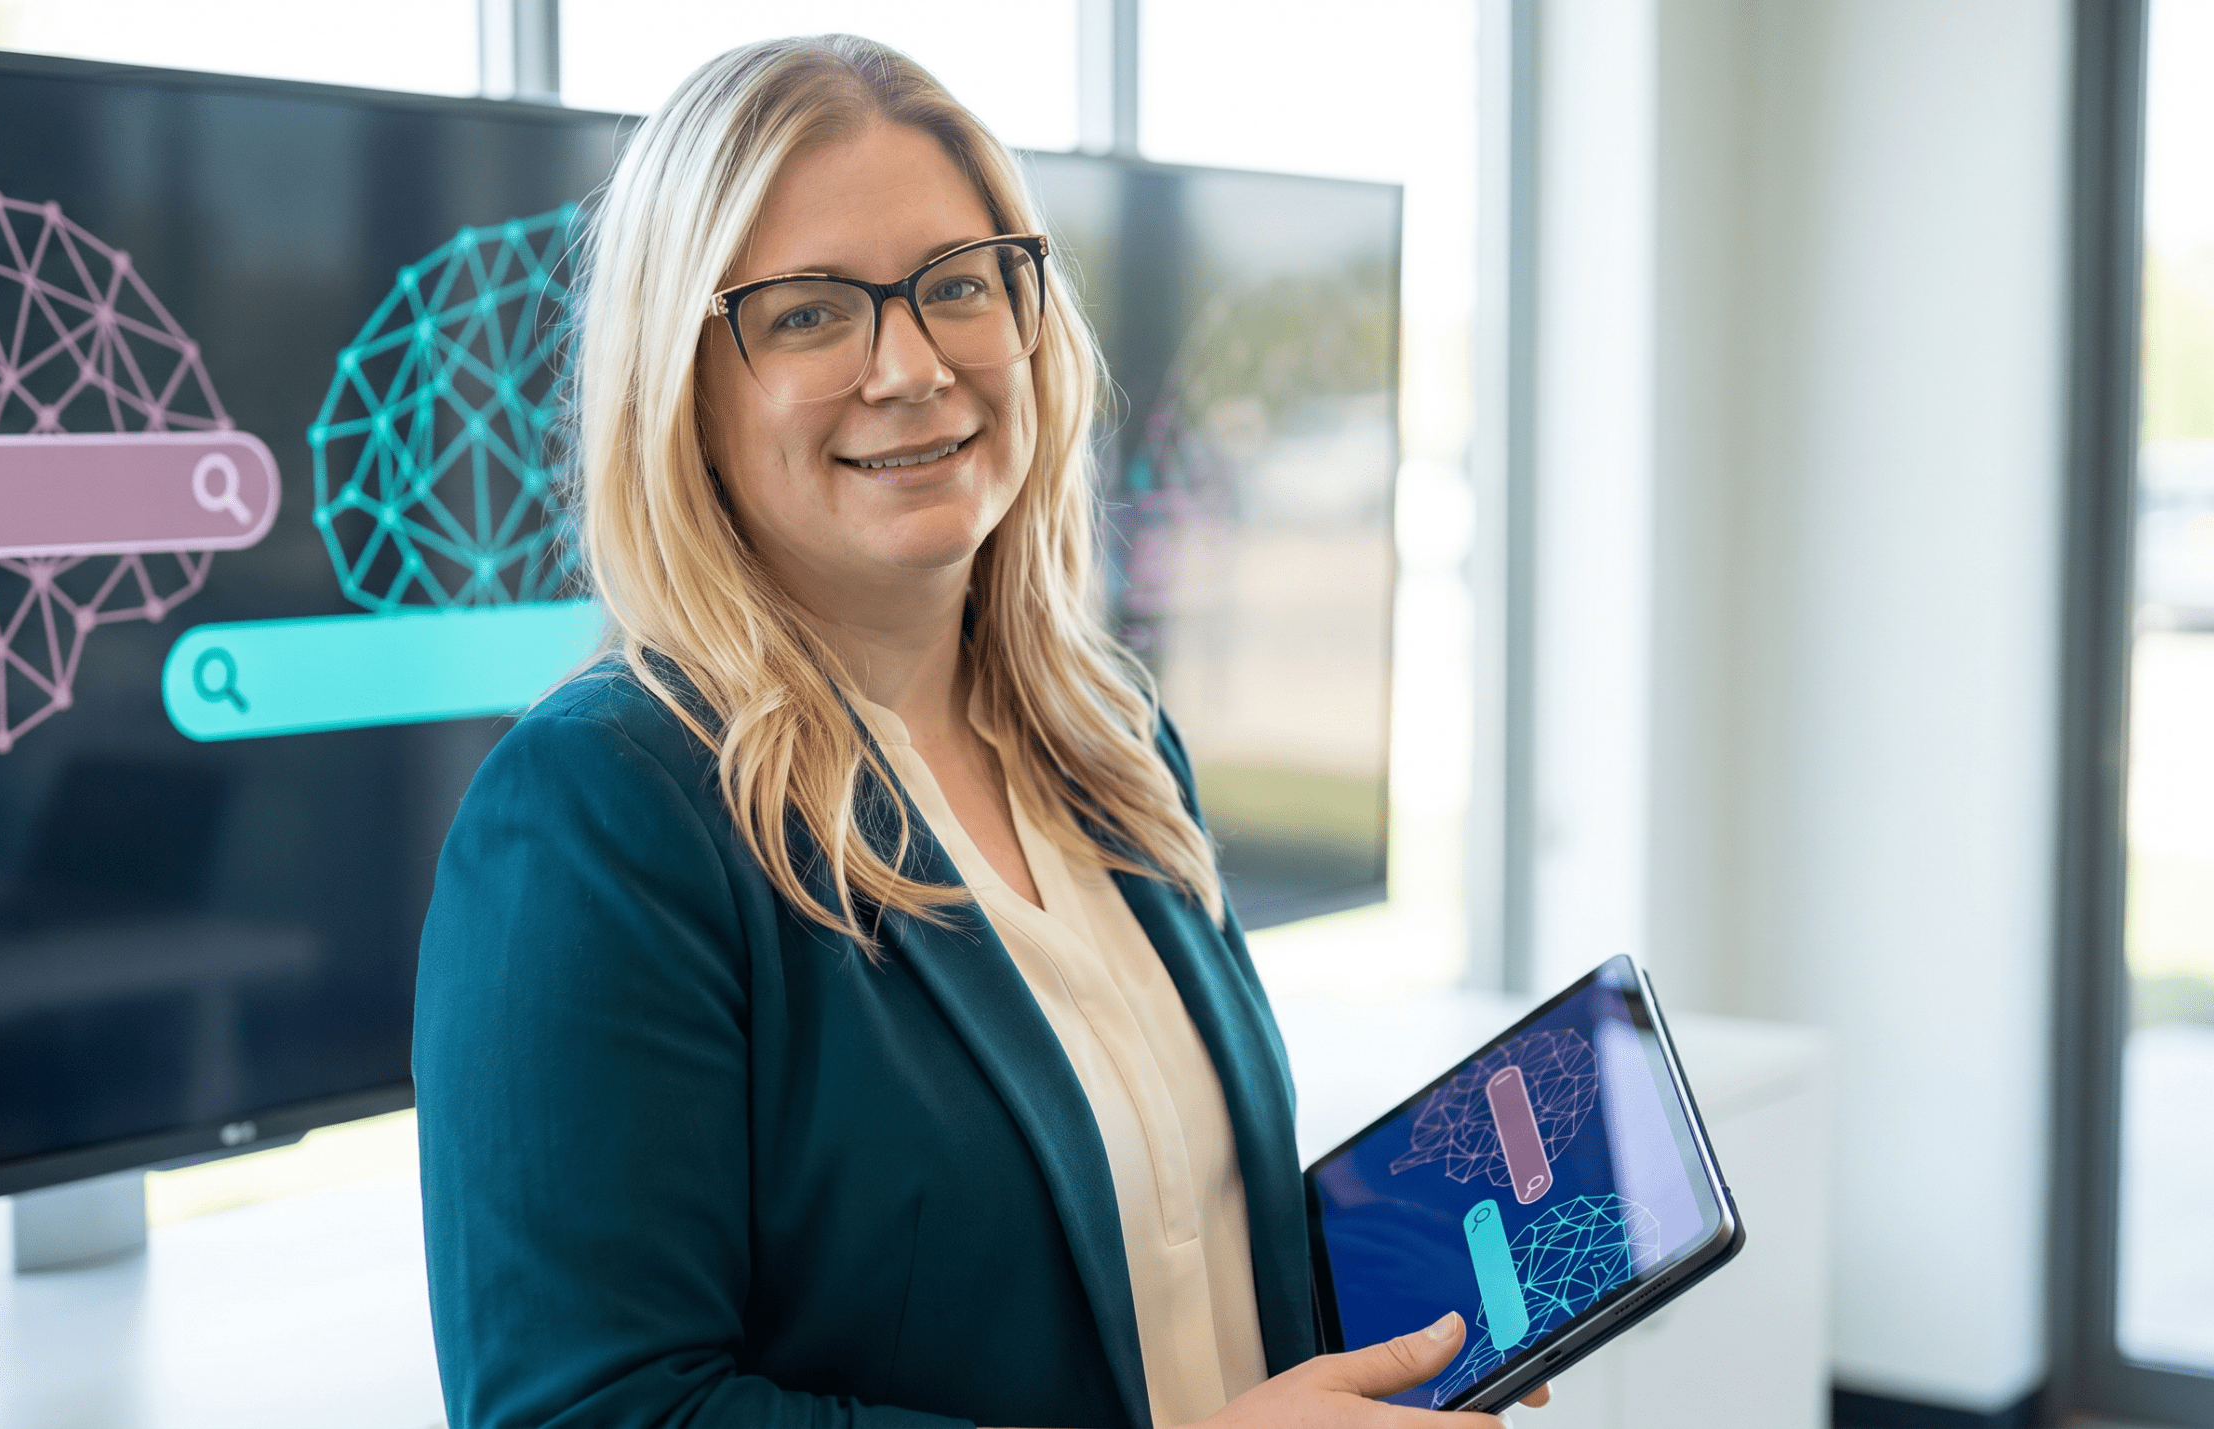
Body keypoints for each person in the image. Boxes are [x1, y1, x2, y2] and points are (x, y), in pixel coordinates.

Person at [414, 33, 1547, 1429]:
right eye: (812, 313)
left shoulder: (1109, 734)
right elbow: (588, 1415)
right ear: (681, 384)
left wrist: (1411, 1345)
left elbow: (1169, 1266)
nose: (913, 365)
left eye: (958, 286)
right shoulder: (602, 811)